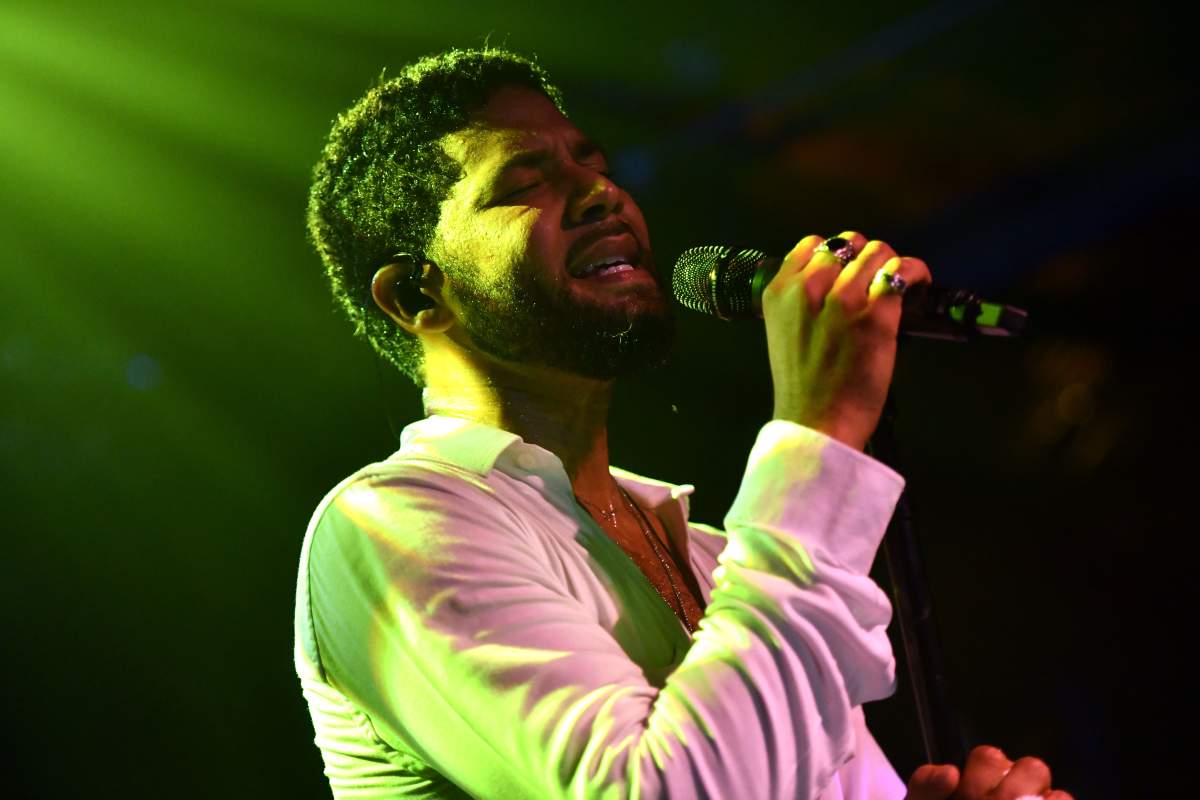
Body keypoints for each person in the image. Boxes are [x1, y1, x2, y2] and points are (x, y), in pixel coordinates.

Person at [296, 47, 1072, 799]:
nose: (602, 193)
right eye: (524, 183)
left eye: (594, 165)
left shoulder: (716, 558)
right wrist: (821, 427)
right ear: (415, 297)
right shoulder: (392, 526)